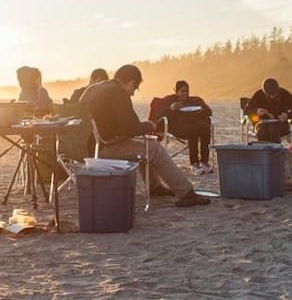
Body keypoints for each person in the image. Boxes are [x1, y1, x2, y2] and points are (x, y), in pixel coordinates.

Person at [80, 64, 211, 207]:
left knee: (145, 143)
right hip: (108, 147)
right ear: (131, 82)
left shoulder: (95, 88)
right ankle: (186, 193)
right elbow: (131, 129)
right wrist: (149, 125)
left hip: (95, 145)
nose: (133, 93)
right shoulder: (118, 93)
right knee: (153, 147)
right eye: (134, 88)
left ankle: (154, 186)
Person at [151, 80, 215, 174]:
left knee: (204, 128)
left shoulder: (195, 100)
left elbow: (208, 111)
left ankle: (204, 161)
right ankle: (194, 163)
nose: (185, 94)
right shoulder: (169, 101)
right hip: (176, 127)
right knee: (194, 130)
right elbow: (159, 116)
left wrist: (200, 110)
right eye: (182, 91)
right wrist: (171, 109)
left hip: (193, 125)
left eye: (186, 91)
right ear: (176, 91)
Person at [246, 78, 292, 144]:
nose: (272, 97)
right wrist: (257, 111)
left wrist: (287, 115)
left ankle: (274, 150)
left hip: (280, 124)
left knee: (273, 129)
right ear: (264, 92)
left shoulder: (285, 94)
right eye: (269, 95)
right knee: (262, 130)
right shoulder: (259, 95)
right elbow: (247, 110)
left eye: (275, 94)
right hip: (261, 123)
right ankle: (264, 150)